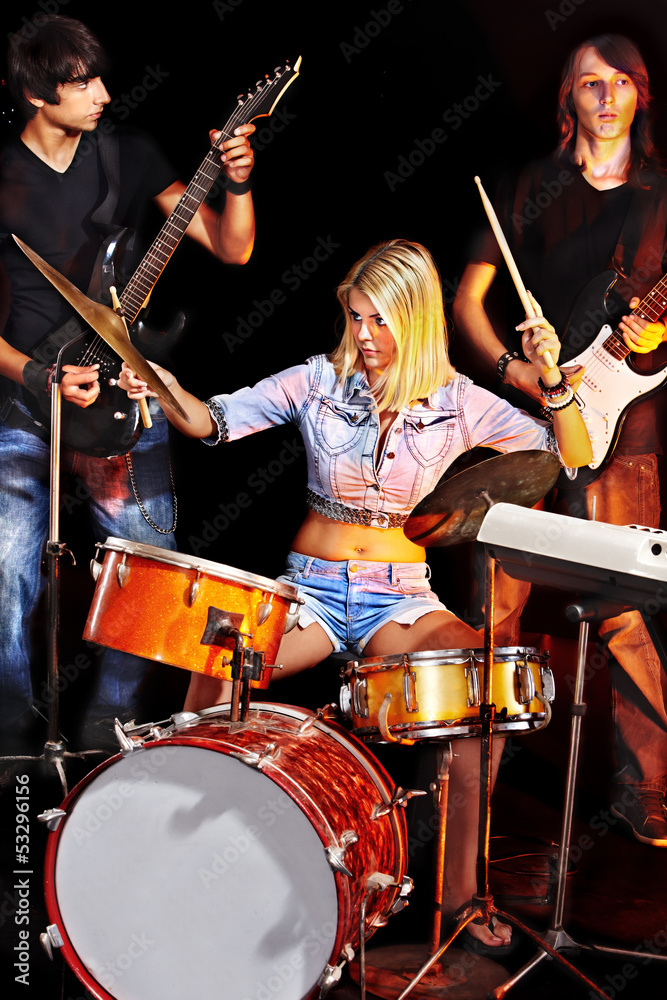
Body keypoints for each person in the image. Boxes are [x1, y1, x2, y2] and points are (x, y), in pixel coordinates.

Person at [119, 238, 592, 947]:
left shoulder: (459, 401)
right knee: (217, 665)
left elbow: (569, 456)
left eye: (379, 321)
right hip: (310, 590)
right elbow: (212, 421)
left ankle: (460, 896)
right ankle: (174, 857)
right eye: (355, 318)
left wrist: (552, 383)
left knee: (484, 703)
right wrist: (155, 381)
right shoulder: (317, 379)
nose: (364, 337)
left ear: (417, 320)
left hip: (399, 598)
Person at [0, 15, 255, 750]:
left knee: (148, 581)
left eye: (100, 77)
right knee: (9, 575)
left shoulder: (129, 156)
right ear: (33, 93)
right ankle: (16, 744)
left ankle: (107, 738)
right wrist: (38, 373)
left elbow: (231, 248)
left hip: (126, 398)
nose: (104, 94)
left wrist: (237, 182)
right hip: (26, 403)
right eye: (82, 84)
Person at [453, 34, 667, 847]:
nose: (605, 97)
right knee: (491, 610)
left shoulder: (660, 199)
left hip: (625, 425)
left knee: (625, 611)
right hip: (523, 417)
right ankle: (471, 787)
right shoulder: (527, 188)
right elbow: (467, 303)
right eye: (589, 83)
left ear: (639, 95)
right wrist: (518, 373)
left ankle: (646, 788)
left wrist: (649, 344)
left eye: (620, 82)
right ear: (568, 100)